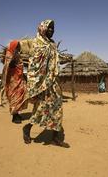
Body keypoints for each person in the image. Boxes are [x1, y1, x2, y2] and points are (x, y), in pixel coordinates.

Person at [22, 19, 71, 148]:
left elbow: (56, 59)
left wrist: (66, 59)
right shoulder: (36, 43)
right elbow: (34, 62)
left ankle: (55, 137)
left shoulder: (53, 44)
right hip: (42, 83)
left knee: (57, 108)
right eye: (49, 28)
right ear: (43, 29)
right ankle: (27, 128)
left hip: (53, 82)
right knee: (40, 108)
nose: (52, 31)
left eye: (53, 29)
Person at [1, 40, 28, 123]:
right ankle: (14, 116)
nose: (19, 47)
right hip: (12, 81)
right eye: (17, 46)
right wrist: (11, 63)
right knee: (14, 97)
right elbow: (7, 66)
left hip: (19, 79)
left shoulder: (18, 55)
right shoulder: (9, 54)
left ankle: (17, 113)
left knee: (21, 96)